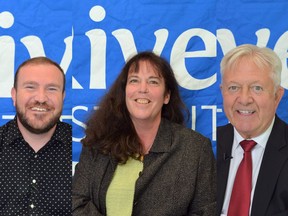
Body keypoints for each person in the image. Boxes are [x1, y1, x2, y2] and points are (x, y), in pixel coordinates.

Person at [72, 51, 216, 215]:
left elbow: (205, 212)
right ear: (125, 91)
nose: (142, 89)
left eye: (153, 82)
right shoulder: (97, 142)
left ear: (166, 95)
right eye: (134, 80)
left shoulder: (195, 149)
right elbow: (77, 202)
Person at [217, 44, 288, 216]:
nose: (244, 99)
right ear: (222, 92)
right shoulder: (204, 147)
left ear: (277, 96)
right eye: (234, 87)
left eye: (257, 88)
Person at [0, 57, 72, 215]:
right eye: (30, 87)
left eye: (52, 89)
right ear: (14, 95)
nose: (40, 98)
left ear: (63, 96)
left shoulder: (86, 149)